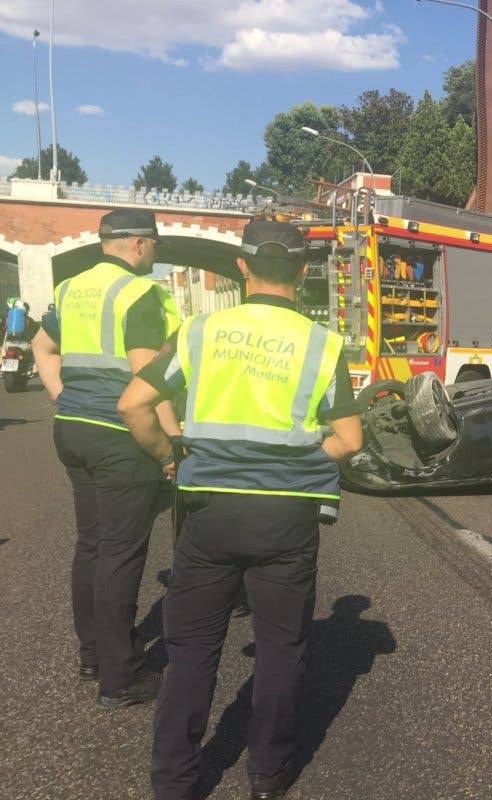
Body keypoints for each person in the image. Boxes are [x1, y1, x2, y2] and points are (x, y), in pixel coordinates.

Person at [118, 220, 362, 800]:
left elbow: (134, 404)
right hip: (286, 520)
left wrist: (168, 458)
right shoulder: (322, 344)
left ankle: (174, 780)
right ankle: (268, 776)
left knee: (192, 651)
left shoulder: (200, 332)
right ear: (304, 273)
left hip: (207, 515)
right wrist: (297, 467)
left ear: (243, 268)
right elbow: (349, 441)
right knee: (281, 652)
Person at [31, 208, 180, 707]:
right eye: (155, 247)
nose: (155, 256)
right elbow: (146, 377)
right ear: (139, 244)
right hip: (118, 435)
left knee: (91, 544)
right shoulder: (139, 293)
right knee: (121, 552)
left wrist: (62, 396)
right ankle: (121, 676)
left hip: (72, 429)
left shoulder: (73, 288)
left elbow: (41, 347)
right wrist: (170, 442)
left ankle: (92, 652)